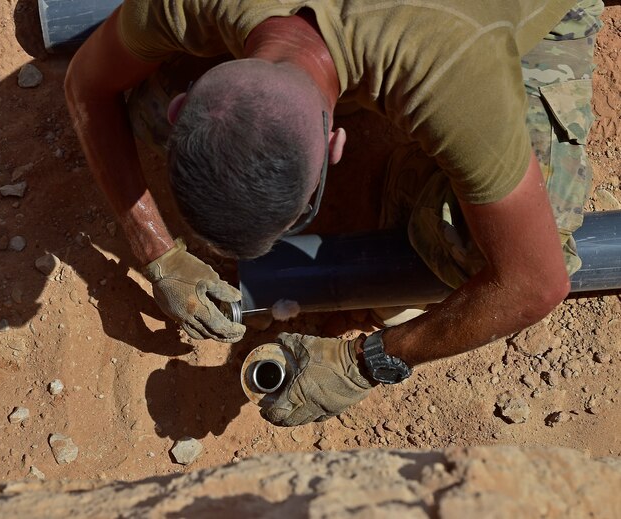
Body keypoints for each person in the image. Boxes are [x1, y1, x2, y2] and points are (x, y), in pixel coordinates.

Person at [64, 0, 603, 426]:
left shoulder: (455, 78)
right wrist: (157, 252)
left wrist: (366, 362)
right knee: (147, 113)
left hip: (498, 23)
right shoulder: (181, 4)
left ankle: (415, 181)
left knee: (464, 243)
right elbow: (86, 83)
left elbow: (534, 283)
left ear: (335, 144)